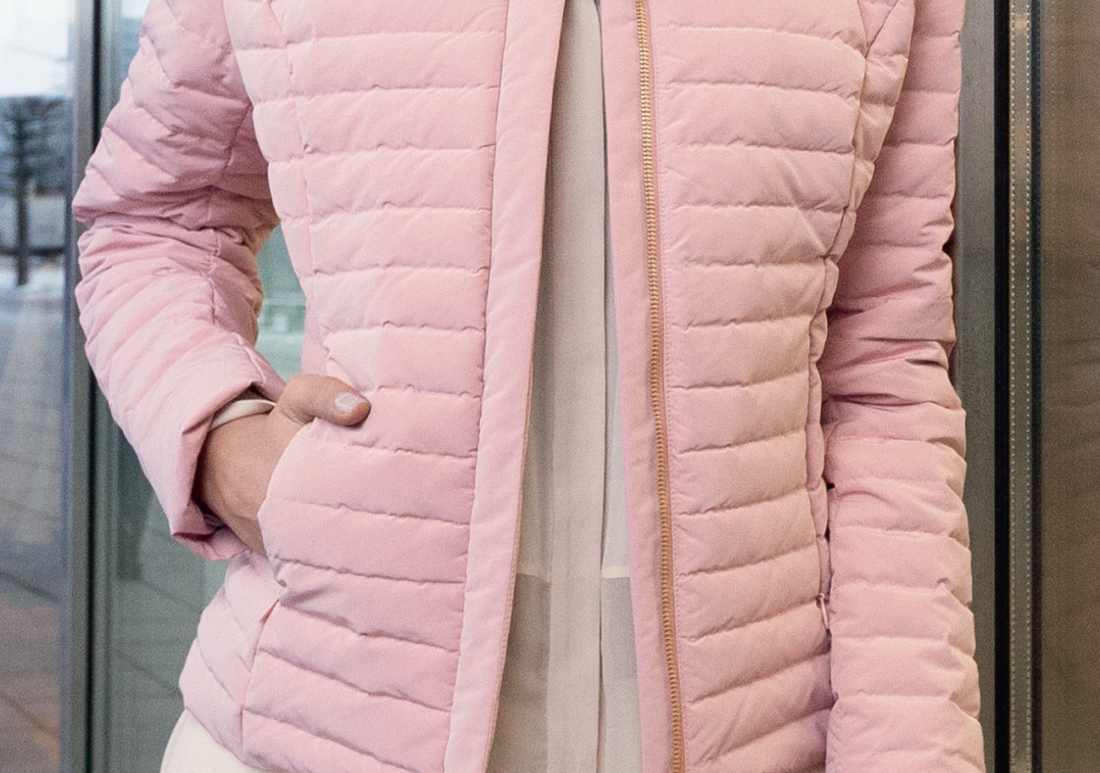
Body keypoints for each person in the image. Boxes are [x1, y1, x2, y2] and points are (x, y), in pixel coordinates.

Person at [72, 0, 985, 770]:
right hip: (319, 717)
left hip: (756, 726)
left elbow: (883, 374)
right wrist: (225, 441)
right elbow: (156, 219)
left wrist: (911, 748)